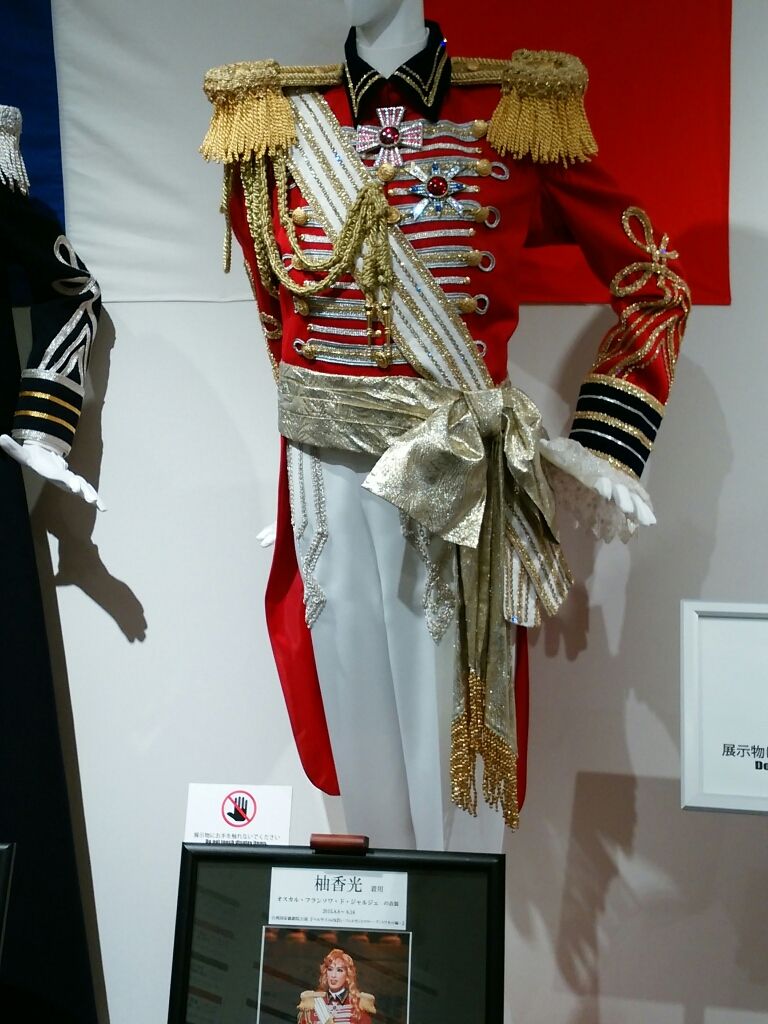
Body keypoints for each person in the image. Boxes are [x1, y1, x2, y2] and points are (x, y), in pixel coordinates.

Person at [201, 0, 690, 849]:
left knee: (456, 753)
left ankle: (455, 920)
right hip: (322, 478)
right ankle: (382, 924)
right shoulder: (272, 119)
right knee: (355, 723)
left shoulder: (517, 110)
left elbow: (655, 283)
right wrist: (301, 451)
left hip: (454, 462)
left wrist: (605, 440)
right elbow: (277, 304)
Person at [298, 948, 375, 1023]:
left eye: (339, 970)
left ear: (347, 975)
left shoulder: (359, 1006)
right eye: (330, 969)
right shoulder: (312, 1004)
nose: (333, 975)